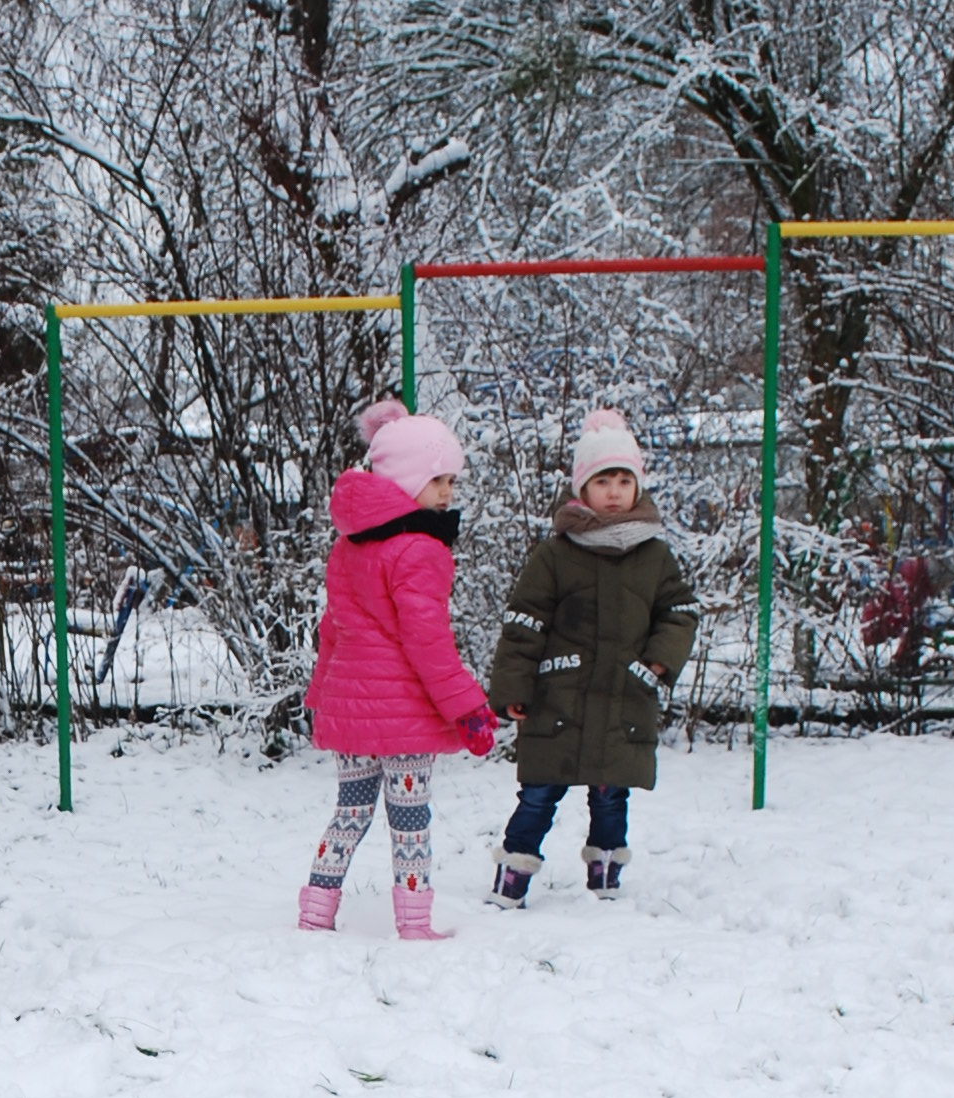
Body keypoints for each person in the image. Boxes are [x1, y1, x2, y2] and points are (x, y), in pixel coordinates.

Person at [298, 400, 496, 942]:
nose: (447, 492)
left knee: (350, 813)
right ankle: (414, 924)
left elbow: (331, 629)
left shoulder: (350, 546)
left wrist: (320, 698)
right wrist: (467, 707)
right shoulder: (420, 549)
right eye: (437, 479)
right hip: (404, 716)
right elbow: (427, 640)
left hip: (352, 715)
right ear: (407, 481)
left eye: (451, 480)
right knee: (410, 819)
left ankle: (316, 911)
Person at [484, 408, 699, 904]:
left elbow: (681, 611)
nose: (615, 490)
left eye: (625, 480)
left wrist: (659, 661)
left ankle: (605, 875)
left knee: (610, 795)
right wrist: (514, 686)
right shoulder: (556, 555)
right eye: (604, 480)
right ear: (583, 488)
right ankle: (513, 876)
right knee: (539, 793)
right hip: (559, 700)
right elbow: (524, 622)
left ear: (637, 488)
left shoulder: (654, 556)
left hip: (624, 696)